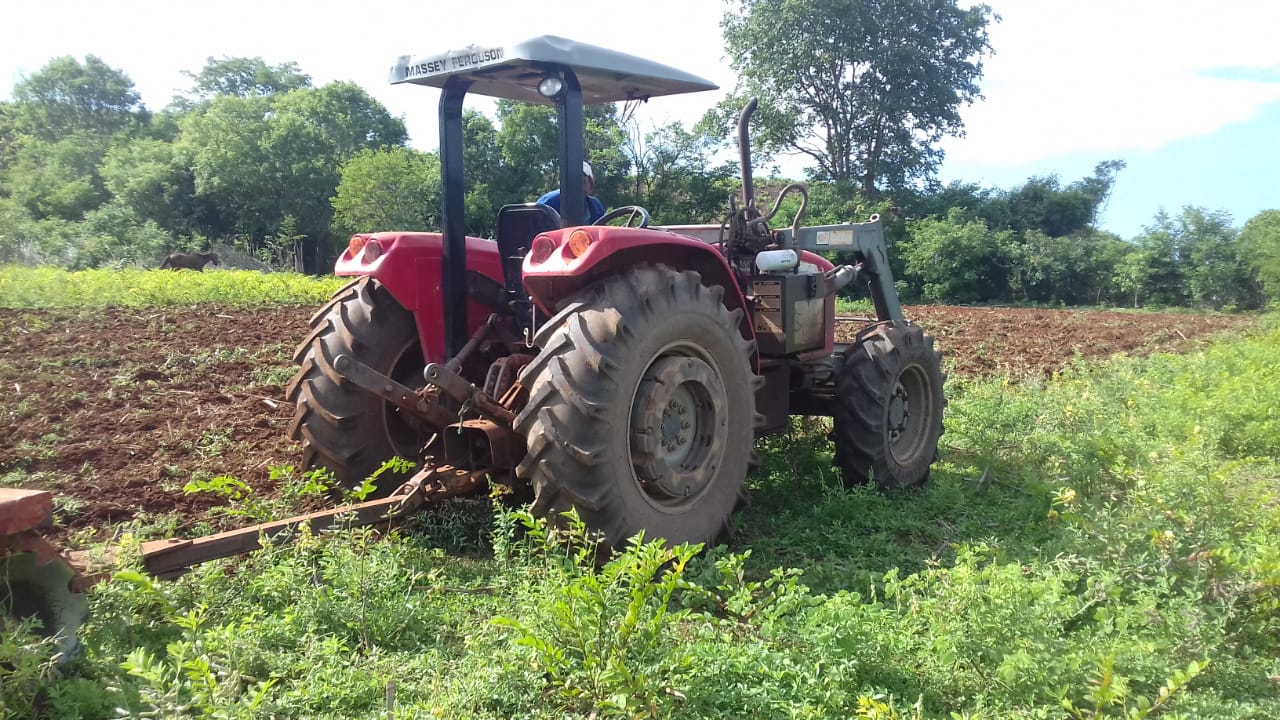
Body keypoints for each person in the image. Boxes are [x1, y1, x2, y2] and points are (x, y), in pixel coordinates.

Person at [536, 161, 606, 224]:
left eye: (583, 182)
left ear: (591, 185)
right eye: (574, 182)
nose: (578, 187)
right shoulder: (548, 202)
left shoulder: (596, 207)